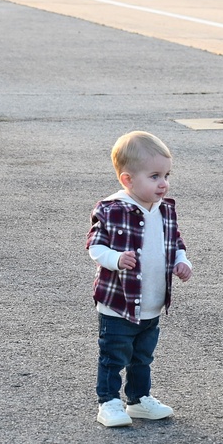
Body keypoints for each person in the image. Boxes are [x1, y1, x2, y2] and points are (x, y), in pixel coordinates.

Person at [86, 131, 192, 428]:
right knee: (114, 355)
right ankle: (109, 402)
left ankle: (138, 399)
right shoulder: (111, 209)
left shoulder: (165, 210)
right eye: (155, 175)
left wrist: (182, 263)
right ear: (127, 179)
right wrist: (116, 259)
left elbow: (176, 244)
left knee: (142, 356)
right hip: (119, 303)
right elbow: (95, 246)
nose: (163, 183)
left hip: (151, 303)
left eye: (167, 174)